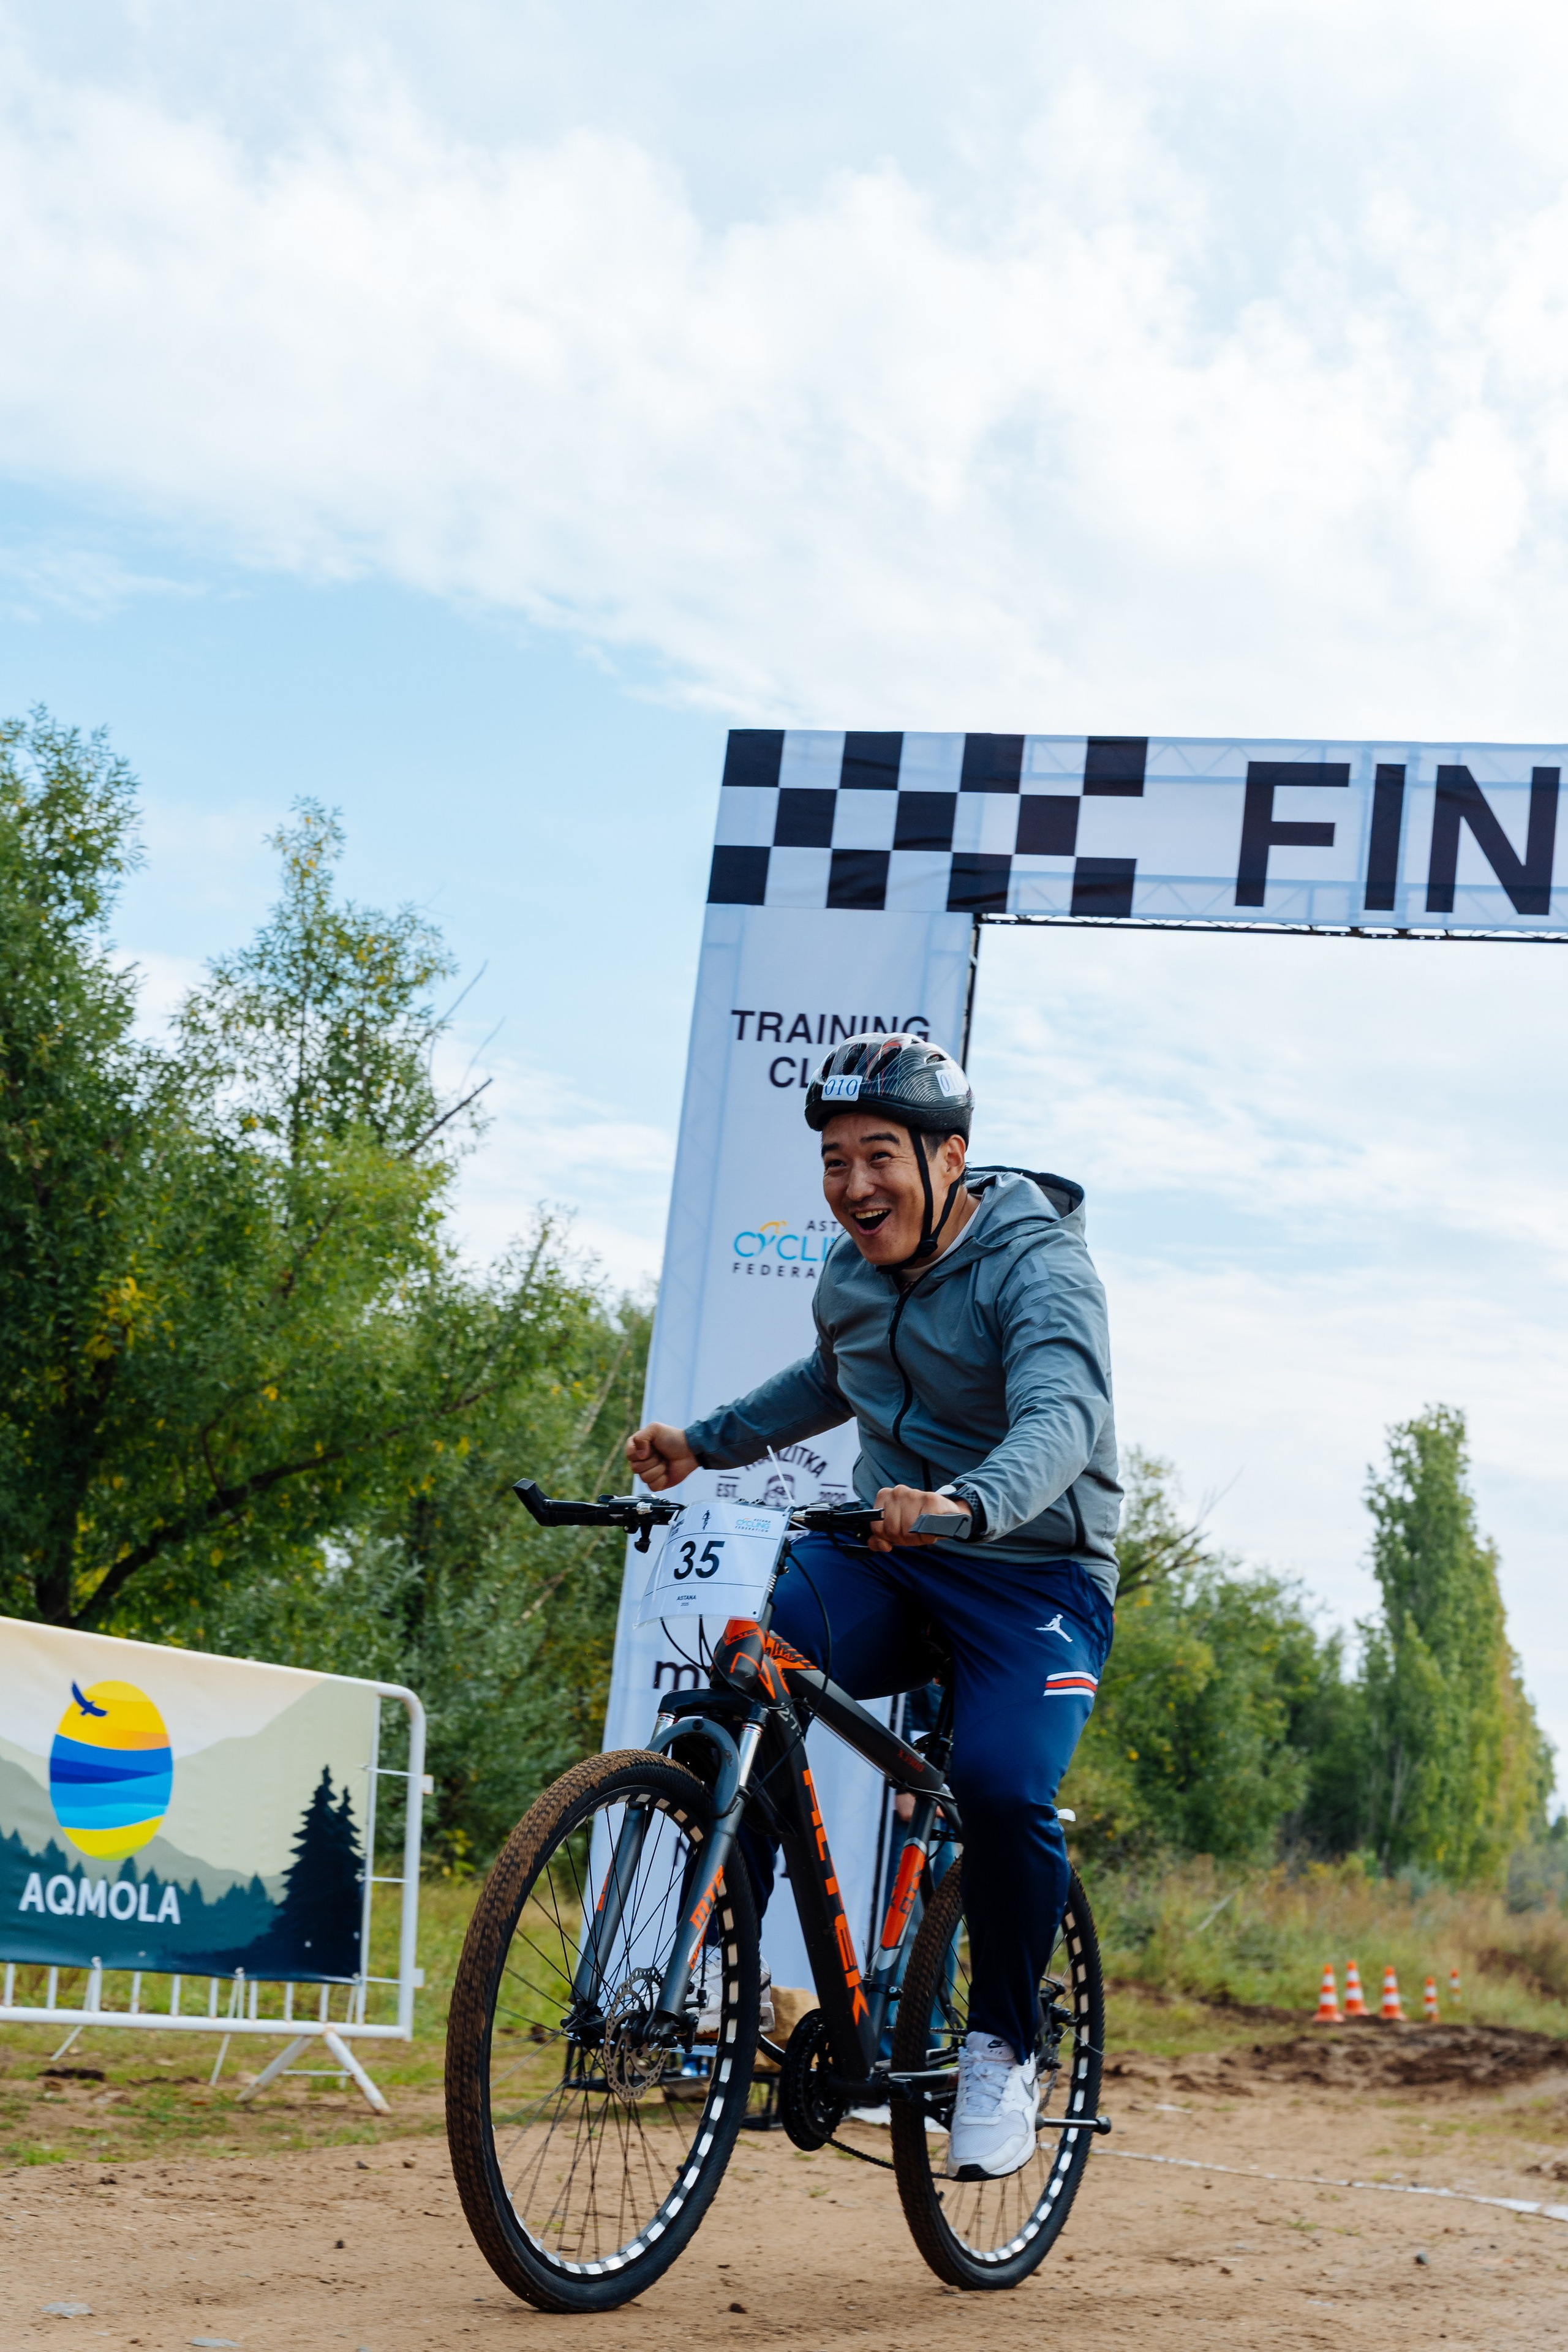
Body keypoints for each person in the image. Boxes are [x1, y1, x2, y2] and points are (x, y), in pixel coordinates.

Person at [627, 1033, 1120, 2181]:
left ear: (949, 1158)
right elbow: (830, 1377)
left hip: (1033, 1572)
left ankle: (1002, 2049)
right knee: (748, 1670)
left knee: (1002, 1788)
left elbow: (1062, 1418)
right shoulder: (850, 1273)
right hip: (890, 1557)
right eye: (835, 1161)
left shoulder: (1038, 1267)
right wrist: (704, 1443)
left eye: (880, 1156)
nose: (855, 1185)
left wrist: (967, 1504)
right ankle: (726, 1967)